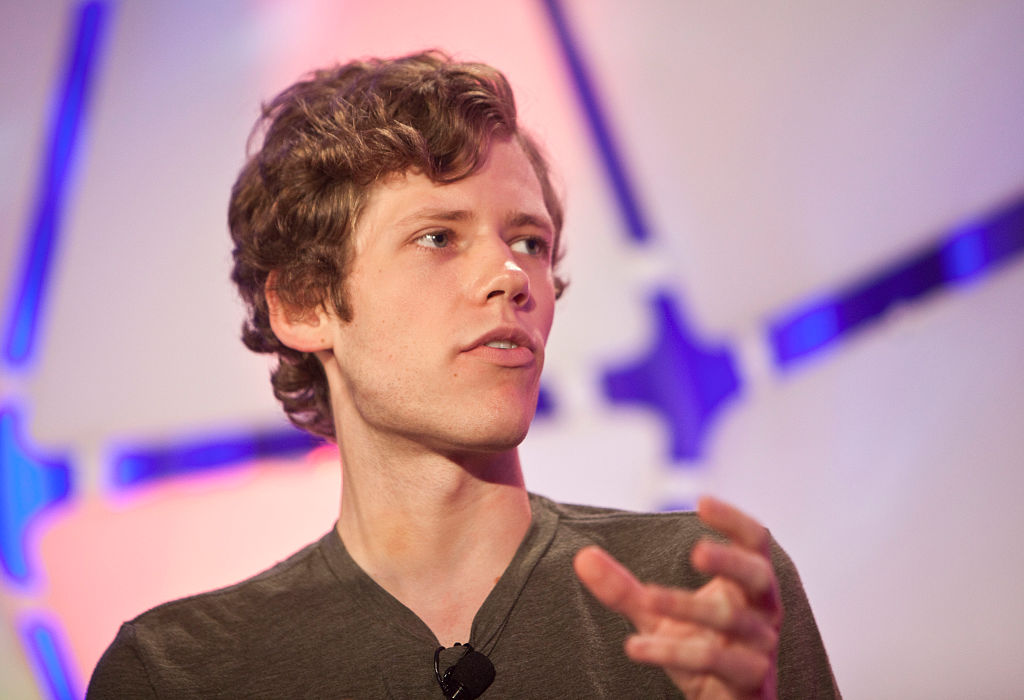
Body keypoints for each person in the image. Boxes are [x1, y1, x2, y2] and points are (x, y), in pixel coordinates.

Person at [87, 50, 838, 698]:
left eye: (531, 242)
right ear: (305, 303)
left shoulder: (699, 597)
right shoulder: (181, 673)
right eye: (439, 236)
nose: (510, 275)